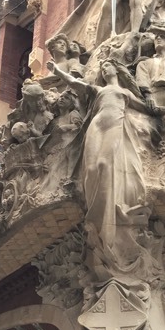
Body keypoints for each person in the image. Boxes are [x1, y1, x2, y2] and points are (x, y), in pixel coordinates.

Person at [47, 58, 151, 264]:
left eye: (108, 66)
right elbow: (75, 83)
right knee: (92, 168)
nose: (104, 69)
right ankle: (94, 217)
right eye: (102, 67)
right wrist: (57, 71)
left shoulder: (125, 93)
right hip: (97, 124)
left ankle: (110, 213)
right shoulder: (98, 90)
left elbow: (147, 108)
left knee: (105, 164)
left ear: (117, 70)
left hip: (115, 122)